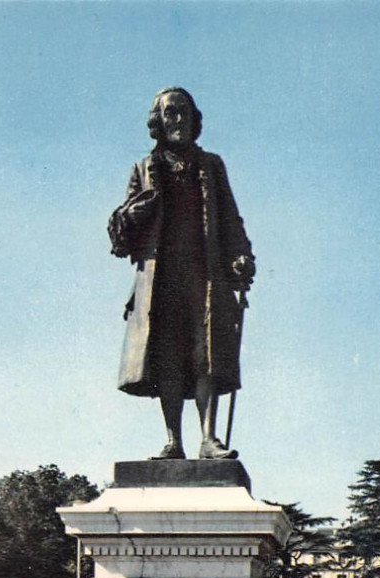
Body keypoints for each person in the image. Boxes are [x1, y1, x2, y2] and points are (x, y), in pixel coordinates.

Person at [108, 87, 255, 460]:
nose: (178, 119)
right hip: (161, 279)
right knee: (169, 356)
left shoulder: (212, 165)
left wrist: (241, 257)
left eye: (185, 112)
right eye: (171, 113)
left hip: (204, 274)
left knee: (207, 354)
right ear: (158, 121)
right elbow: (119, 234)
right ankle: (174, 440)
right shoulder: (143, 169)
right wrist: (131, 216)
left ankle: (209, 439)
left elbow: (230, 218)